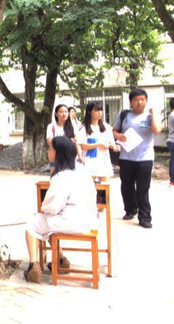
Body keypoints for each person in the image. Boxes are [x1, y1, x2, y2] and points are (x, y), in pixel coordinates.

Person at [24, 136, 98, 283]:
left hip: (71, 221)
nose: (48, 151)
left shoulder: (61, 176)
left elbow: (51, 207)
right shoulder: (82, 170)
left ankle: (33, 266)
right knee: (49, 226)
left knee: (33, 224)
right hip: (89, 219)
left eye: (50, 148)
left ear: (58, 153)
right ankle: (61, 260)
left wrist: (43, 209)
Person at [113, 89, 162, 229]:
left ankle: (144, 217)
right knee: (126, 186)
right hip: (126, 157)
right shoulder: (124, 115)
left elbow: (157, 130)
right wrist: (119, 136)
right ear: (131, 102)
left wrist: (154, 115)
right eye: (136, 100)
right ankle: (130, 210)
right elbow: (115, 130)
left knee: (143, 188)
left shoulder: (150, 116)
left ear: (146, 101)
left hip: (145, 158)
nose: (139, 102)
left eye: (142, 99)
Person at [77, 102, 118, 183]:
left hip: (104, 161)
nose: (99, 113)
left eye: (101, 110)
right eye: (96, 110)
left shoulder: (106, 127)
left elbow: (112, 142)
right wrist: (99, 144)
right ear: (89, 112)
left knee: (105, 186)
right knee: (89, 186)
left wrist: (114, 146)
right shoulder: (83, 128)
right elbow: (83, 146)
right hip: (89, 161)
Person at [46, 104, 76, 172]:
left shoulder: (73, 126)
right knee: (54, 175)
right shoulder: (51, 126)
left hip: (69, 158)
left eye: (66, 112)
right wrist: (68, 141)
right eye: (61, 112)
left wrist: (58, 141)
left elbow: (75, 141)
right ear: (56, 114)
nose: (64, 114)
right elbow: (50, 142)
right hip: (56, 157)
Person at [167, 98, 174, 188]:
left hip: (171, 140)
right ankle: (172, 180)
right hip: (173, 140)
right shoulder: (173, 115)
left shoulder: (171, 114)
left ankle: (172, 180)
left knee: (172, 160)